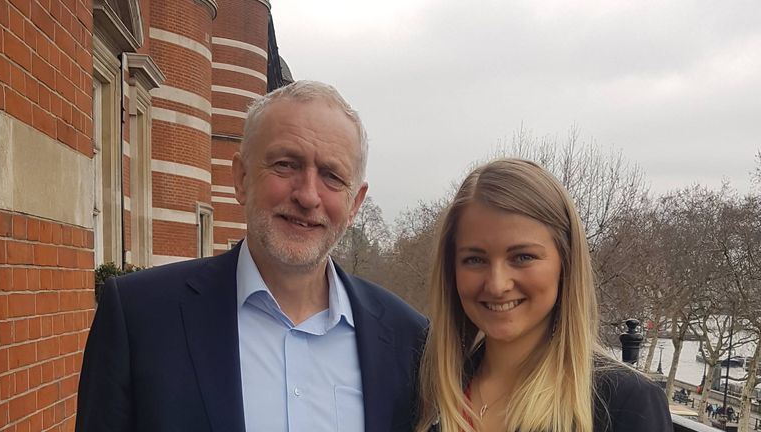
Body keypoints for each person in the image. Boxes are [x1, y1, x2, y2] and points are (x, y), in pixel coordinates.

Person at [76, 81, 427, 432]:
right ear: (241, 178)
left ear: (355, 204)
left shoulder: (406, 339)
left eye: (332, 177)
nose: (307, 195)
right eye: (286, 165)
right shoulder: (140, 317)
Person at [414, 159, 672, 432]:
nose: (497, 285)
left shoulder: (625, 404)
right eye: (475, 260)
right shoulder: (429, 389)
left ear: (566, 263)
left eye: (522, 257)